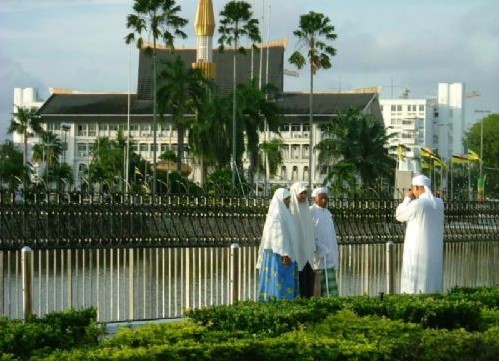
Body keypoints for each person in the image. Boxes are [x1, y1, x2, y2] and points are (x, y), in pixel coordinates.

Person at [395, 174, 444, 294]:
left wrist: (407, 198)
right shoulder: (439, 203)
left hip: (417, 250)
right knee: (432, 280)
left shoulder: (418, 204)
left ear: (416, 188)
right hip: (435, 251)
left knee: (415, 279)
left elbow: (399, 215)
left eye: (412, 189)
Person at [256, 188, 300, 300]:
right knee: (279, 282)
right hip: (278, 255)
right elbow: (278, 237)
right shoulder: (276, 216)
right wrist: (285, 254)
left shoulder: (285, 214)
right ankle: (278, 304)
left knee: (278, 281)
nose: (288, 202)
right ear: (279, 200)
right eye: (286, 199)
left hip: (282, 253)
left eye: (289, 199)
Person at [310, 187, 339, 297]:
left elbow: (331, 236)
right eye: (321, 198)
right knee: (317, 289)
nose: (324, 201)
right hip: (318, 257)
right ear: (314, 199)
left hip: (329, 256)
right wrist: (319, 248)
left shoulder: (328, 213)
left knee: (331, 291)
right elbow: (309, 234)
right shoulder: (311, 212)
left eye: (326, 198)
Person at [289, 182, 316, 298]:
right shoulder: (290, 211)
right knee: (299, 280)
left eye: (305, 193)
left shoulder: (307, 210)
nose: (304, 196)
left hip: (308, 252)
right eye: (301, 193)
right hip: (296, 253)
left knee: (308, 280)